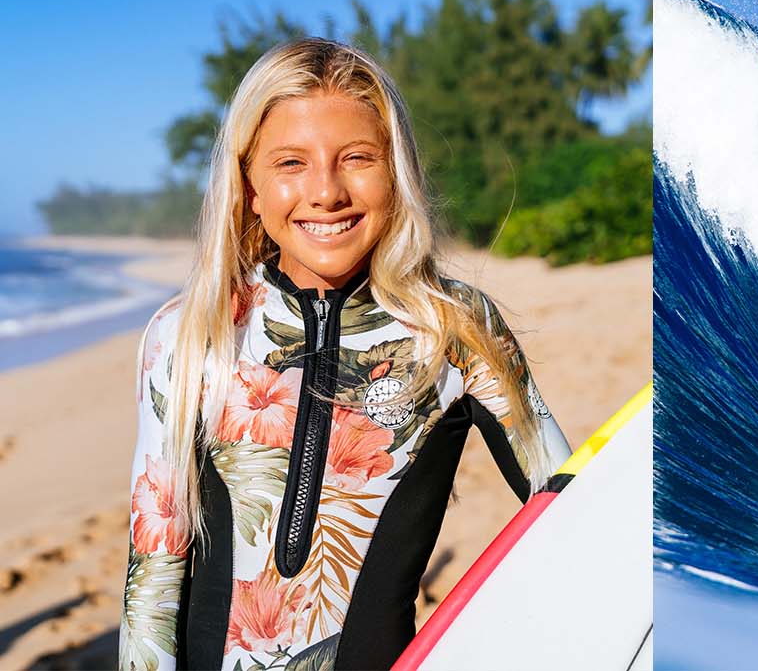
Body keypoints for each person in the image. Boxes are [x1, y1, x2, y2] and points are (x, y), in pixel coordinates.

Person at [119, 38, 572, 671]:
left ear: (397, 171)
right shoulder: (189, 334)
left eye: (357, 157)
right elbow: (154, 578)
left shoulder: (454, 329)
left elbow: (570, 508)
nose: (326, 192)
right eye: (291, 163)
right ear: (249, 184)